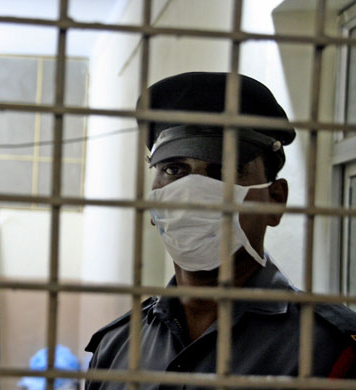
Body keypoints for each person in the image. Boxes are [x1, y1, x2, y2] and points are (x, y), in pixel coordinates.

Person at [84, 72, 356, 390]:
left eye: (223, 171)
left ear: (275, 200)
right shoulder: (117, 347)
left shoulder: (331, 349)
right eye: (174, 170)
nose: (195, 192)